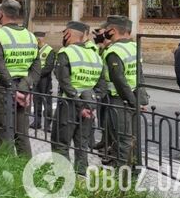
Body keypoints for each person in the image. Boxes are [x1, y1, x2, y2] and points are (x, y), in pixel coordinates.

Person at [51, 21, 106, 175]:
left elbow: (64, 81)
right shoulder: (95, 55)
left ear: (68, 33)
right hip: (88, 107)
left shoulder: (66, 53)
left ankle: (63, 178)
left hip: (68, 106)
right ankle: (81, 177)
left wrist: (79, 102)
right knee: (81, 145)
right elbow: (102, 86)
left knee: (60, 143)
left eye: (64, 33)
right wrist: (91, 104)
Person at [0, 0, 41, 156]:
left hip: (5, 89)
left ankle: (7, 171)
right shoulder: (31, 36)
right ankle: (25, 170)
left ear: (0, 13)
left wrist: (13, 90)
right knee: (22, 134)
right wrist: (24, 89)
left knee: (5, 133)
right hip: (23, 90)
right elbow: (36, 67)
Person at [102, 15, 139, 167]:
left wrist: (131, 101)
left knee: (122, 139)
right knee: (133, 138)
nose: (104, 32)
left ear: (113, 30)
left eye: (106, 29)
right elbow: (140, 75)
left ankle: (122, 178)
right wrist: (140, 100)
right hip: (133, 96)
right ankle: (135, 169)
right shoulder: (135, 46)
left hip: (119, 99)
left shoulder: (114, 51)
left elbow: (119, 80)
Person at [30, 32, 55, 131]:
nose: (37, 40)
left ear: (42, 39)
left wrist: (37, 73)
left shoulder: (50, 50)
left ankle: (47, 125)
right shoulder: (34, 50)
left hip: (45, 80)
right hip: (36, 80)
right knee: (36, 101)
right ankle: (36, 122)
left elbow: (49, 67)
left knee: (47, 103)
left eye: (38, 39)